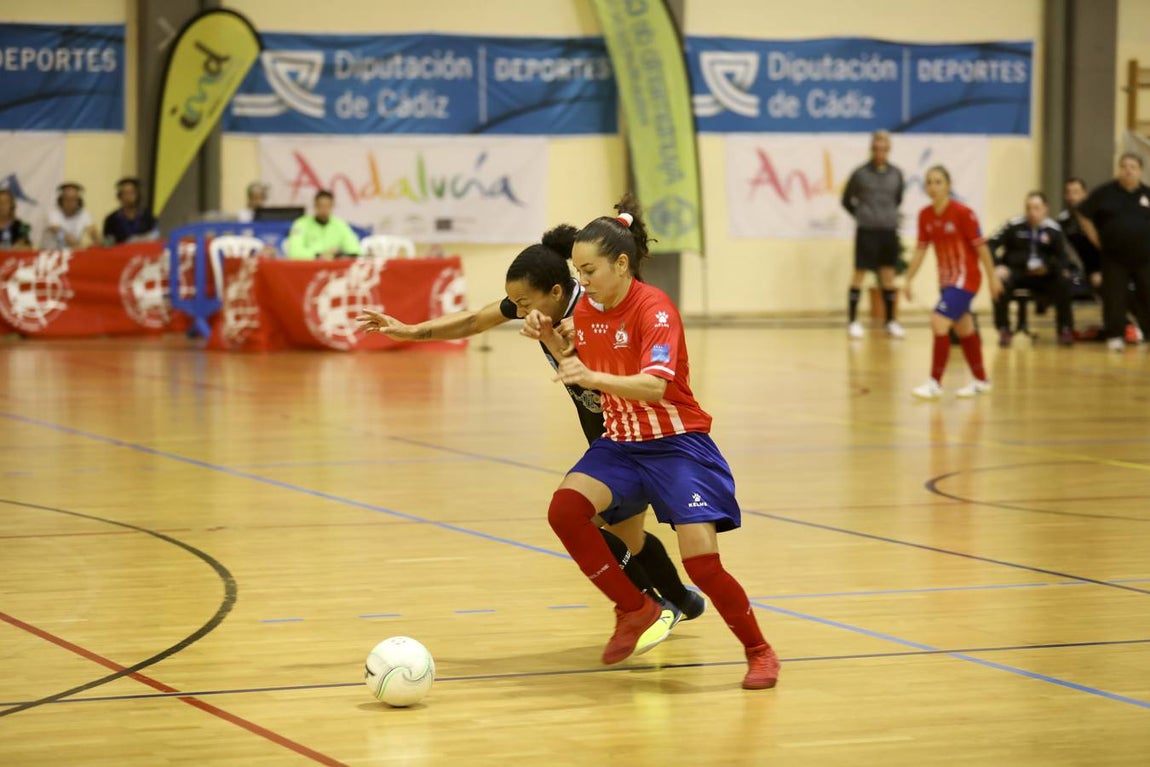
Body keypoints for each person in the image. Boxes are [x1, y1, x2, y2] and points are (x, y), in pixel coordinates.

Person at [354, 226, 705, 627]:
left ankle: (650, 607)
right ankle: (679, 602)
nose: (518, 311)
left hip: (640, 437)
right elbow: (473, 320)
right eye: (515, 303)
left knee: (585, 523)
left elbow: (634, 317)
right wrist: (409, 330)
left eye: (524, 302)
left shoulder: (594, 307)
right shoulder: (539, 307)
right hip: (608, 437)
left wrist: (587, 330)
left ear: (556, 292)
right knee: (628, 537)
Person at [522, 194, 779, 690]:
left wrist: (591, 372)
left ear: (622, 264)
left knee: (702, 564)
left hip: (677, 445)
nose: (583, 281)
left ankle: (759, 650)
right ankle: (634, 608)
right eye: (577, 272)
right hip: (621, 444)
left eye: (590, 270)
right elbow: (573, 362)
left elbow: (655, 386)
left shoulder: (655, 310)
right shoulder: (591, 310)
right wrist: (546, 335)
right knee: (564, 511)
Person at [903, 166, 1003, 400]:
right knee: (964, 329)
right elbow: (920, 250)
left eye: (938, 182)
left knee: (938, 321)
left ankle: (934, 383)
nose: (933, 186)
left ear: (948, 186)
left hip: (966, 279)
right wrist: (907, 279)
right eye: (929, 182)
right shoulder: (925, 215)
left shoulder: (963, 213)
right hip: (947, 282)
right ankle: (981, 380)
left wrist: (992, 278)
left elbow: (981, 247)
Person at [1075, 152, 1150, 351]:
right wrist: (1095, 237)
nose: (1128, 171)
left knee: (1147, 295)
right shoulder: (1105, 192)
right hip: (1114, 256)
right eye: (1124, 166)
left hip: (1145, 256)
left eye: (1133, 167)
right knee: (1115, 296)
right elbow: (1082, 213)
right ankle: (1115, 335)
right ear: (1119, 169)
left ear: (1140, 171)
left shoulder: (1147, 193)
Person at [987, 192, 1075, 347]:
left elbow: (1063, 258)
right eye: (1028, 208)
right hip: (1017, 272)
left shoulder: (1054, 229)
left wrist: (1050, 267)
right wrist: (998, 265)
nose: (1032, 212)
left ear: (1045, 209)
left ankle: (1065, 329)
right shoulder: (1013, 225)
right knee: (999, 283)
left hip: (1043, 274)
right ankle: (1004, 329)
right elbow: (990, 244)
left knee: (1064, 281)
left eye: (1036, 208)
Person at [841, 130, 906, 340]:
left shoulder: (896, 174)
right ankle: (852, 321)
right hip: (866, 231)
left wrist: (886, 215)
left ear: (889, 149)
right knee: (859, 274)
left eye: (884, 148)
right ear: (871, 148)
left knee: (888, 276)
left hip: (888, 230)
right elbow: (846, 200)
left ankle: (891, 321)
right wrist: (863, 215)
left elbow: (897, 199)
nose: (880, 152)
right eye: (877, 148)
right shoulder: (860, 174)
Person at [285, 190, 361, 259]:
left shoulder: (340, 225)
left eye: (327, 206)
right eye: (321, 206)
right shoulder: (300, 224)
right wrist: (318, 255)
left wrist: (339, 254)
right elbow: (294, 253)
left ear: (332, 206)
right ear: (315, 206)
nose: (324, 210)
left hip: (332, 269)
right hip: (308, 267)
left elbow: (355, 251)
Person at [1059, 177, 1101, 291]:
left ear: (1084, 194)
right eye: (1068, 192)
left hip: (1098, 268)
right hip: (1075, 269)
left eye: (1076, 192)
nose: (1072, 197)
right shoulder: (1062, 221)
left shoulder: (1097, 219)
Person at [102, 177, 159, 244]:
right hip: (120, 253)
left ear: (137, 195)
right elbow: (107, 244)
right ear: (119, 196)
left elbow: (155, 237)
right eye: (125, 193)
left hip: (142, 253)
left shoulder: (148, 217)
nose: (129, 196)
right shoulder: (111, 220)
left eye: (132, 192)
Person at [43, 182, 99, 249]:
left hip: (73, 253)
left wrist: (97, 240)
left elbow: (93, 231)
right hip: (50, 253)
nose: (70, 202)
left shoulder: (84, 214)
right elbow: (60, 233)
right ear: (60, 200)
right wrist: (81, 246)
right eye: (67, 199)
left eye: (74, 199)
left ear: (79, 201)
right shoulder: (53, 213)